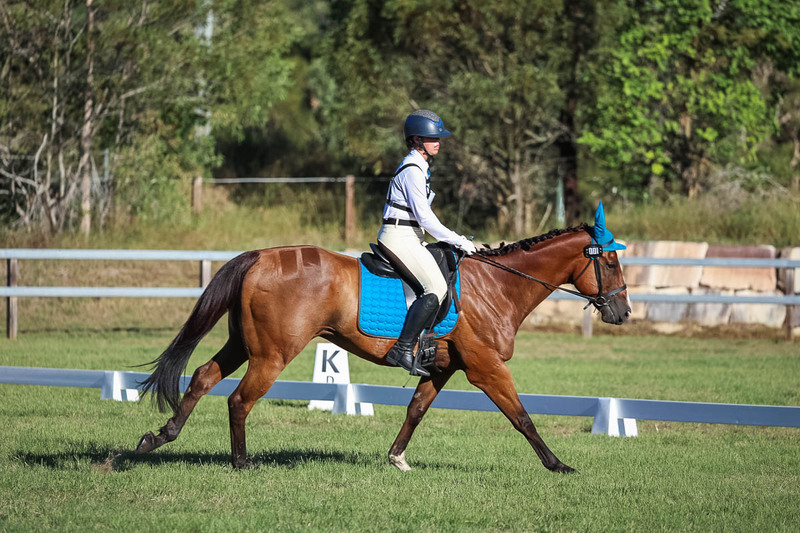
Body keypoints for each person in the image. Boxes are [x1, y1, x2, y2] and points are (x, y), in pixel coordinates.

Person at [378, 110, 477, 377]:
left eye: (438, 138)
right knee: (436, 287)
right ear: (417, 140)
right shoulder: (412, 170)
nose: (438, 142)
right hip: (399, 236)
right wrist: (458, 240)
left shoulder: (420, 167)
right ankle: (402, 348)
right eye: (433, 138)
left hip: (410, 235)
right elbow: (425, 218)